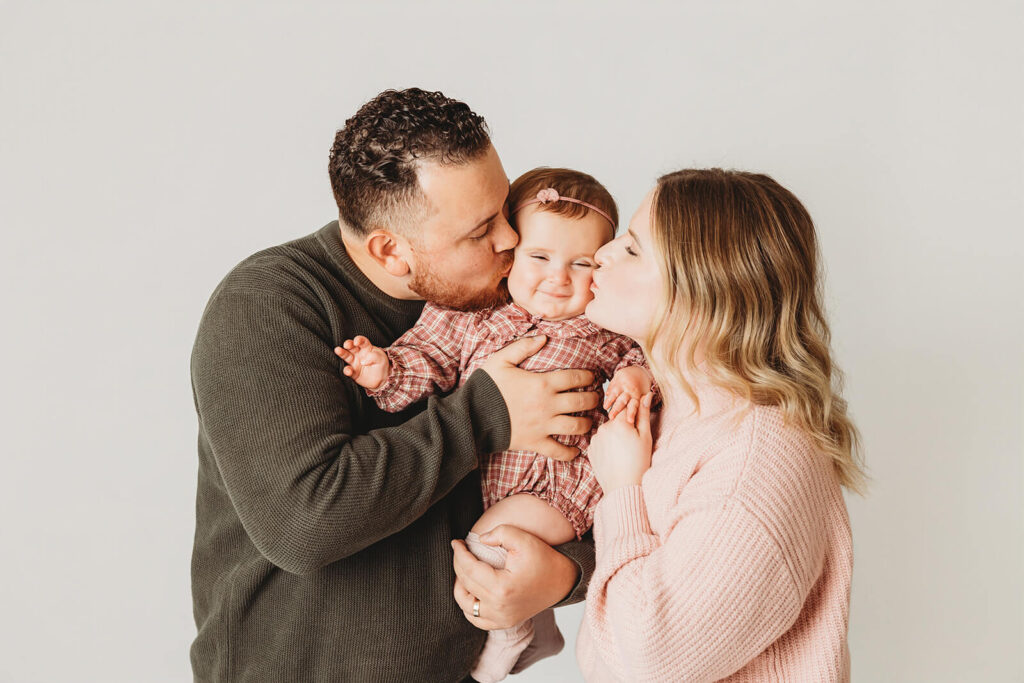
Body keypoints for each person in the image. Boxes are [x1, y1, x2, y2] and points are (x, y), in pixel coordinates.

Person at [189, 88, 598, 683]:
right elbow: (303, 524)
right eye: (482, 229)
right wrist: (486, 413)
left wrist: (567, 573)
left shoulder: (515, 302)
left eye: (505, 211)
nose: (511, 240)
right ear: (391, 250)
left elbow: (603, 476)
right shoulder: (269, 305)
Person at [335, 167, 655, 682]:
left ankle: (513, 633)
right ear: (509, 255)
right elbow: (429, 358)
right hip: (488, 481)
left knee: (491, 541)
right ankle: (539, 619)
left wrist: (637, 379)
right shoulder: (471, 316)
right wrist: (386, 369)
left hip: (562, 483)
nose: (560, 277)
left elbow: (647, 358)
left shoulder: (605, 324)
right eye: (540, 258)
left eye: (582, 264)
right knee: (478, 538)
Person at [575, 168, 868, 681]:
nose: (601, 253)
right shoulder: (669, 411)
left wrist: (622, 491)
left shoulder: (753, 465)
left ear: (703, 292)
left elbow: (645, 661)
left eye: (634, 249)